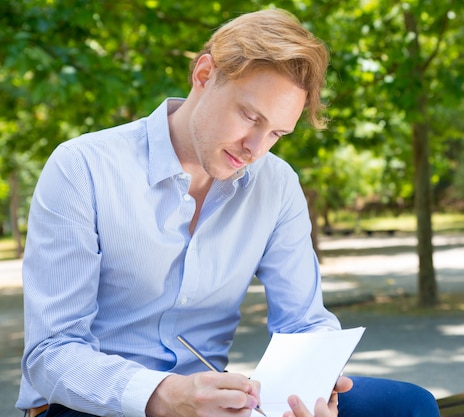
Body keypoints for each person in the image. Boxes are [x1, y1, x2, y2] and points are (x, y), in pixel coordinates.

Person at [16, 8, 440, 417]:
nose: (255, 147)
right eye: (249, 116)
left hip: (214, 405)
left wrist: (313, 389)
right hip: (88, 405)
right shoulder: (82, 167)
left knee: (409, 405)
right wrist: (162, 394)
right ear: (204, 75)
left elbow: (304, 323)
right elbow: (51, 353)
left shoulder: (276, 184)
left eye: (276, 132)